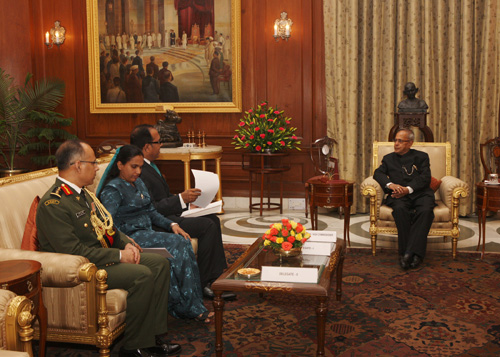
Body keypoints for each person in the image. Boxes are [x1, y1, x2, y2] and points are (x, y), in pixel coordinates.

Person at [36, 140, 181, 357]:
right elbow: (73, 251)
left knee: (159, 263)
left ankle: (152, 336)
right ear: (77, 165)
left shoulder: (83, 194)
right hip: (85, 268)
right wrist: (119, 255)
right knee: (141, 275)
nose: (97, 168)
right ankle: (134, 347)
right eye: (93, 163)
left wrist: (126, 243)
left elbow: (106, 225)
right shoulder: (54, 204)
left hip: (101, 257)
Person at [97, 145, 214, 322]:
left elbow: (151, 212)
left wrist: (172, 224)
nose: (138, 171)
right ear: (120, 165)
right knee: (178, 244)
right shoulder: (113, 190)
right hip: (131, 237)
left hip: (147, 232)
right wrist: (125, 241)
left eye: (140, 167)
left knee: (182, 239)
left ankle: (191, 304)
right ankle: (188, 307)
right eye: (133, 167)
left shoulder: (139, 183)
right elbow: (108, 224)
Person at [130, 125, 235, 300]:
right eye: (158, 142)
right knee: (207, 226)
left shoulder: (149, 166)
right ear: (147, 147)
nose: (161, 145)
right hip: (158, 222)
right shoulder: (139, 171)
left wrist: (188, 206)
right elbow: (151, 207)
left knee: (212, 219)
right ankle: (203, 284)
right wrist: (181, 199)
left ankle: (214, 277)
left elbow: (162, 197)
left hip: (168, 214)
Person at [373, 128, 435, 270]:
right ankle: (413, 254)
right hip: (398, 195)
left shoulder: (422, 157)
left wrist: (408, 189)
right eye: (395, 140)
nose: (396, 143)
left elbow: (425, 178)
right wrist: (390, 185)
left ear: (410, 143)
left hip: (420, 193)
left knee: (426, 211)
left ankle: (408, 253)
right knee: (400, 209)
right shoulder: (388, 158)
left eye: (400, 141)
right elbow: (378, 173)